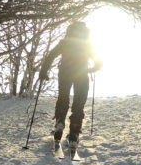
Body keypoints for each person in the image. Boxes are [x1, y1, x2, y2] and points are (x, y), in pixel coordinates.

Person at [39, 20, 102, 150]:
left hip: (65, 73)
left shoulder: (65, 42)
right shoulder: (87, 44)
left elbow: (50, 56)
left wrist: (43, 71)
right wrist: (93, 68)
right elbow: (97, 60)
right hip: (82, 74)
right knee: (78, 104)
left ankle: (60, 123)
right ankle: (73, 135)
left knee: (63, 98)